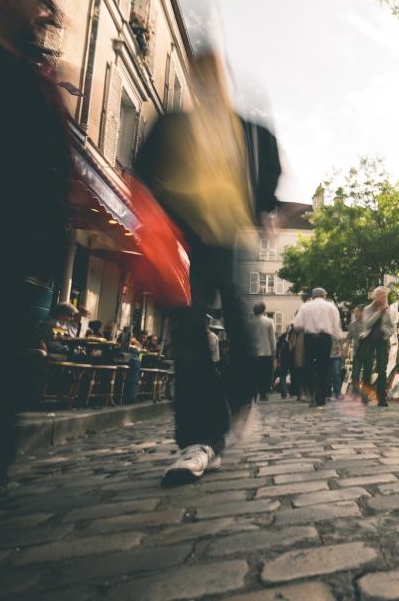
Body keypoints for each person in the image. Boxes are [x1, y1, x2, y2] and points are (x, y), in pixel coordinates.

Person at [135, 52, 268, 485]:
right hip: (182, 239)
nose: (208, 81)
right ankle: (199, 439)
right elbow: (143, 171)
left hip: (229, 240)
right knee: (189, 334)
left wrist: (266, 212)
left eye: (215, 73)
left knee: (243, 335)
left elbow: (267, 171)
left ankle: (236, 404)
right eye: (200, 74)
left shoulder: (246, 131)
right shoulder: (174, 125)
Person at [0, 0, 70, 500]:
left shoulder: (39, 75)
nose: (48, 15)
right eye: (42, 2)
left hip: (21, 237)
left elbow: (54, 160)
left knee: (3, 348)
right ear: (5, 1)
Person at [292, 288, 343, 407]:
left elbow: (297, 325)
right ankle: (322, 396)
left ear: (313, 296)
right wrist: (338, 338)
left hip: (310, 339)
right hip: (325, 339)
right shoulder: (331, 307)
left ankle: (312, 394)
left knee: (310, 366)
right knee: (324, 368)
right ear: (324, 296)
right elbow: (336, 326)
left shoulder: (305, 307)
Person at [353, 287, 395, 407]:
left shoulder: (388, 310)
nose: (383, 298)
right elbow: (367, 324)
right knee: (367, 369)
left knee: (382, 369)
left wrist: (387, 334)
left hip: (382, 341)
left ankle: (382, 398)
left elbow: (392, 327)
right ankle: (365, 396)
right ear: (375, 297)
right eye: (381, 296)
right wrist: (378, 313)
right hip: (368, 340)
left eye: (384, 296)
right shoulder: (367, 309)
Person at [247, 302, 276, 401]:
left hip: (253, 353)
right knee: (266, 374)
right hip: (266, 352)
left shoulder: (250, 323)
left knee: (255, 373)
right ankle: (264, 393)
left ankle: (254, 392)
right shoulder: (269, 321)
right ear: (264, 311)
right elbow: (272, 338)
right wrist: (274, 351)